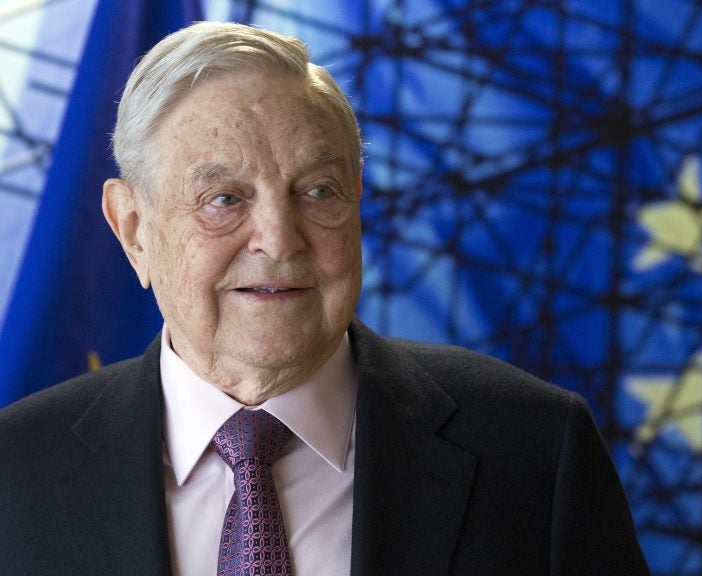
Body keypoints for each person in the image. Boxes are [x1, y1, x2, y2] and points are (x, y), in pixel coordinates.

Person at [0, 21, 650, 576]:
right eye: (224, 200)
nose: (281, 240)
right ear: (134, 229)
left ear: (358, 198)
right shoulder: (15, 473)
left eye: (318, 191)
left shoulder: (536, 449)